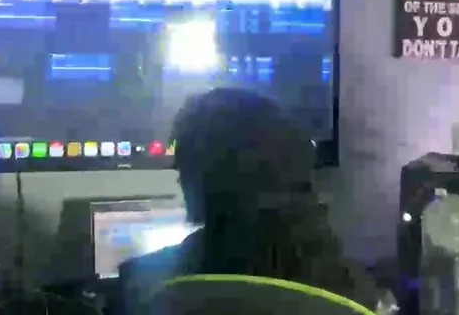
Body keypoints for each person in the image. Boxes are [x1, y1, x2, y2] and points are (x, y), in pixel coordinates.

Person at [116, 88, 385, 312]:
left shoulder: (143, 285)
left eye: (181, 170)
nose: (179, 181)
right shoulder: (356, 292)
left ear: (196, 179)